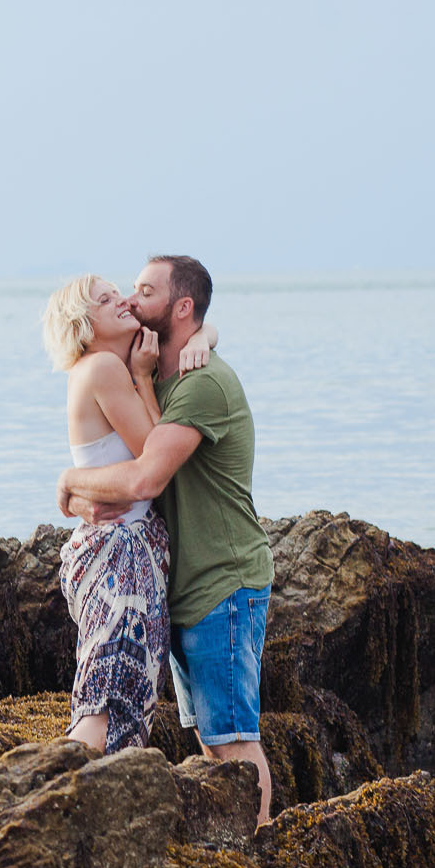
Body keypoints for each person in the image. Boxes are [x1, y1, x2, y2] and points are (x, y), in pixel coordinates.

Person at [56, 255, 276, 824]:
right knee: (209, 739)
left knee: (231, 741)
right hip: (174, 581)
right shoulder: (149, 371)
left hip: (221, 581)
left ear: (180, 308)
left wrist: (69, 482)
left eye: (142, 292)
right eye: (117, 295)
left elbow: (145, 478)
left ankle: (264, 847)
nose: (130, 300)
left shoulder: (196, 381)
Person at [41, 274, 213, 753]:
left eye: (119, 293)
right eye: (105, 299)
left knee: (118, 692)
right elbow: (156, 454)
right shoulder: (104, 369)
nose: (121, 300)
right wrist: (141, 376)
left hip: (121, 546)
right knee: (110, 696)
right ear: (82, 324)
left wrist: (202, 337)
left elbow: (202, 325)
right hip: (118, 551)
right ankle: (60, 782)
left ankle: (82, 783)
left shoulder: (106, 366)